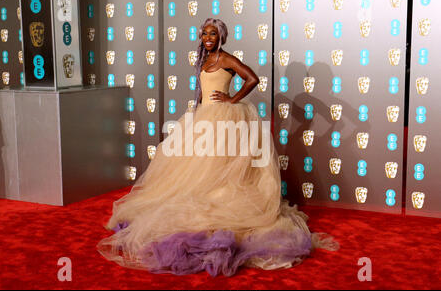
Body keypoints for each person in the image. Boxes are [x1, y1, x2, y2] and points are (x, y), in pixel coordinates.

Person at [97, 18, 338, 277]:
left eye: (213, 34)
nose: (208, 38)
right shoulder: (203, 59)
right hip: (204, 119)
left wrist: (231, 100)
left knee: (223, 168)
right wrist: (197, 109)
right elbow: (202, 90)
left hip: (225, 120)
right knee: (197, 170)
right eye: (205, 34)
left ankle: (222, 204)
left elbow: (252, 78)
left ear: (221, 36)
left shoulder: (226, 59)